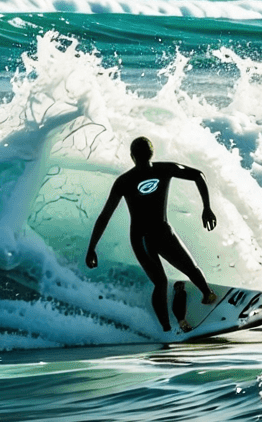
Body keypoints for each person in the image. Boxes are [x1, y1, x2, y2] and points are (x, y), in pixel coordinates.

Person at [85, 136, 220, 333]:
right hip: (162, 232)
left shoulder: (124, 181)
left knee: (161, 282)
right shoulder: (164, 169)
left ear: (132, 157)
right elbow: (198, 175)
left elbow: (105, 216)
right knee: (190, 268)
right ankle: (207, 294)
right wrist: (206, 208)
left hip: (141, 239)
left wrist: (92, 248)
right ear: (152, 153)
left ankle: (166, 329)